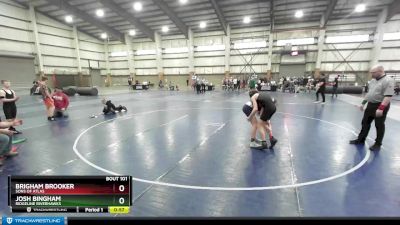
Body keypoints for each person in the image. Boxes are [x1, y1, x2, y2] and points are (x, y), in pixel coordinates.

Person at [349, 65, 394, 151]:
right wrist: (363, 104)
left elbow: (388, 96)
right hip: (371, 105)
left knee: (379, 125)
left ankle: (378, 144)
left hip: (380, 105)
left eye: (373, 73)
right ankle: (361, 139)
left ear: (380, 71)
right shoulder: (373, 81)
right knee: (365, 123)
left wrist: (381, 108)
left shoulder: (388, 80)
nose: (371, 74)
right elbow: (369, 94)